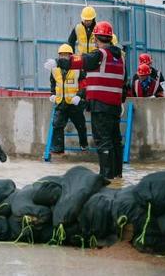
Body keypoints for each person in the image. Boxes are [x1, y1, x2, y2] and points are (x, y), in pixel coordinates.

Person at [45, 21, 127, 179]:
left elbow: (81, 60)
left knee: (103, 141)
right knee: (115, 140)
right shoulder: (120, 59)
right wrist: (121, 101)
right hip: (114, 106)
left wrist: (58, 62)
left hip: (100, 105)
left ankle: (106, 178)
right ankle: (117, 176)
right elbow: (124, 83)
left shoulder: (100, 54)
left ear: (96, 38)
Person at [49, 44, 88, 153]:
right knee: (57, 125)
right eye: (61, 55)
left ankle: (83, 144)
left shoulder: (78, 68)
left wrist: (79, 96)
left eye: (66, 55)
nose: (63, 57)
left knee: (81, 125)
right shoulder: (54, 68)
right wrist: (52, 94)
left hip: (74, 103)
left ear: (71, 56)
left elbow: (84, 83)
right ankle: (58, 149)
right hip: (61, 102)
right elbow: (53, 82)